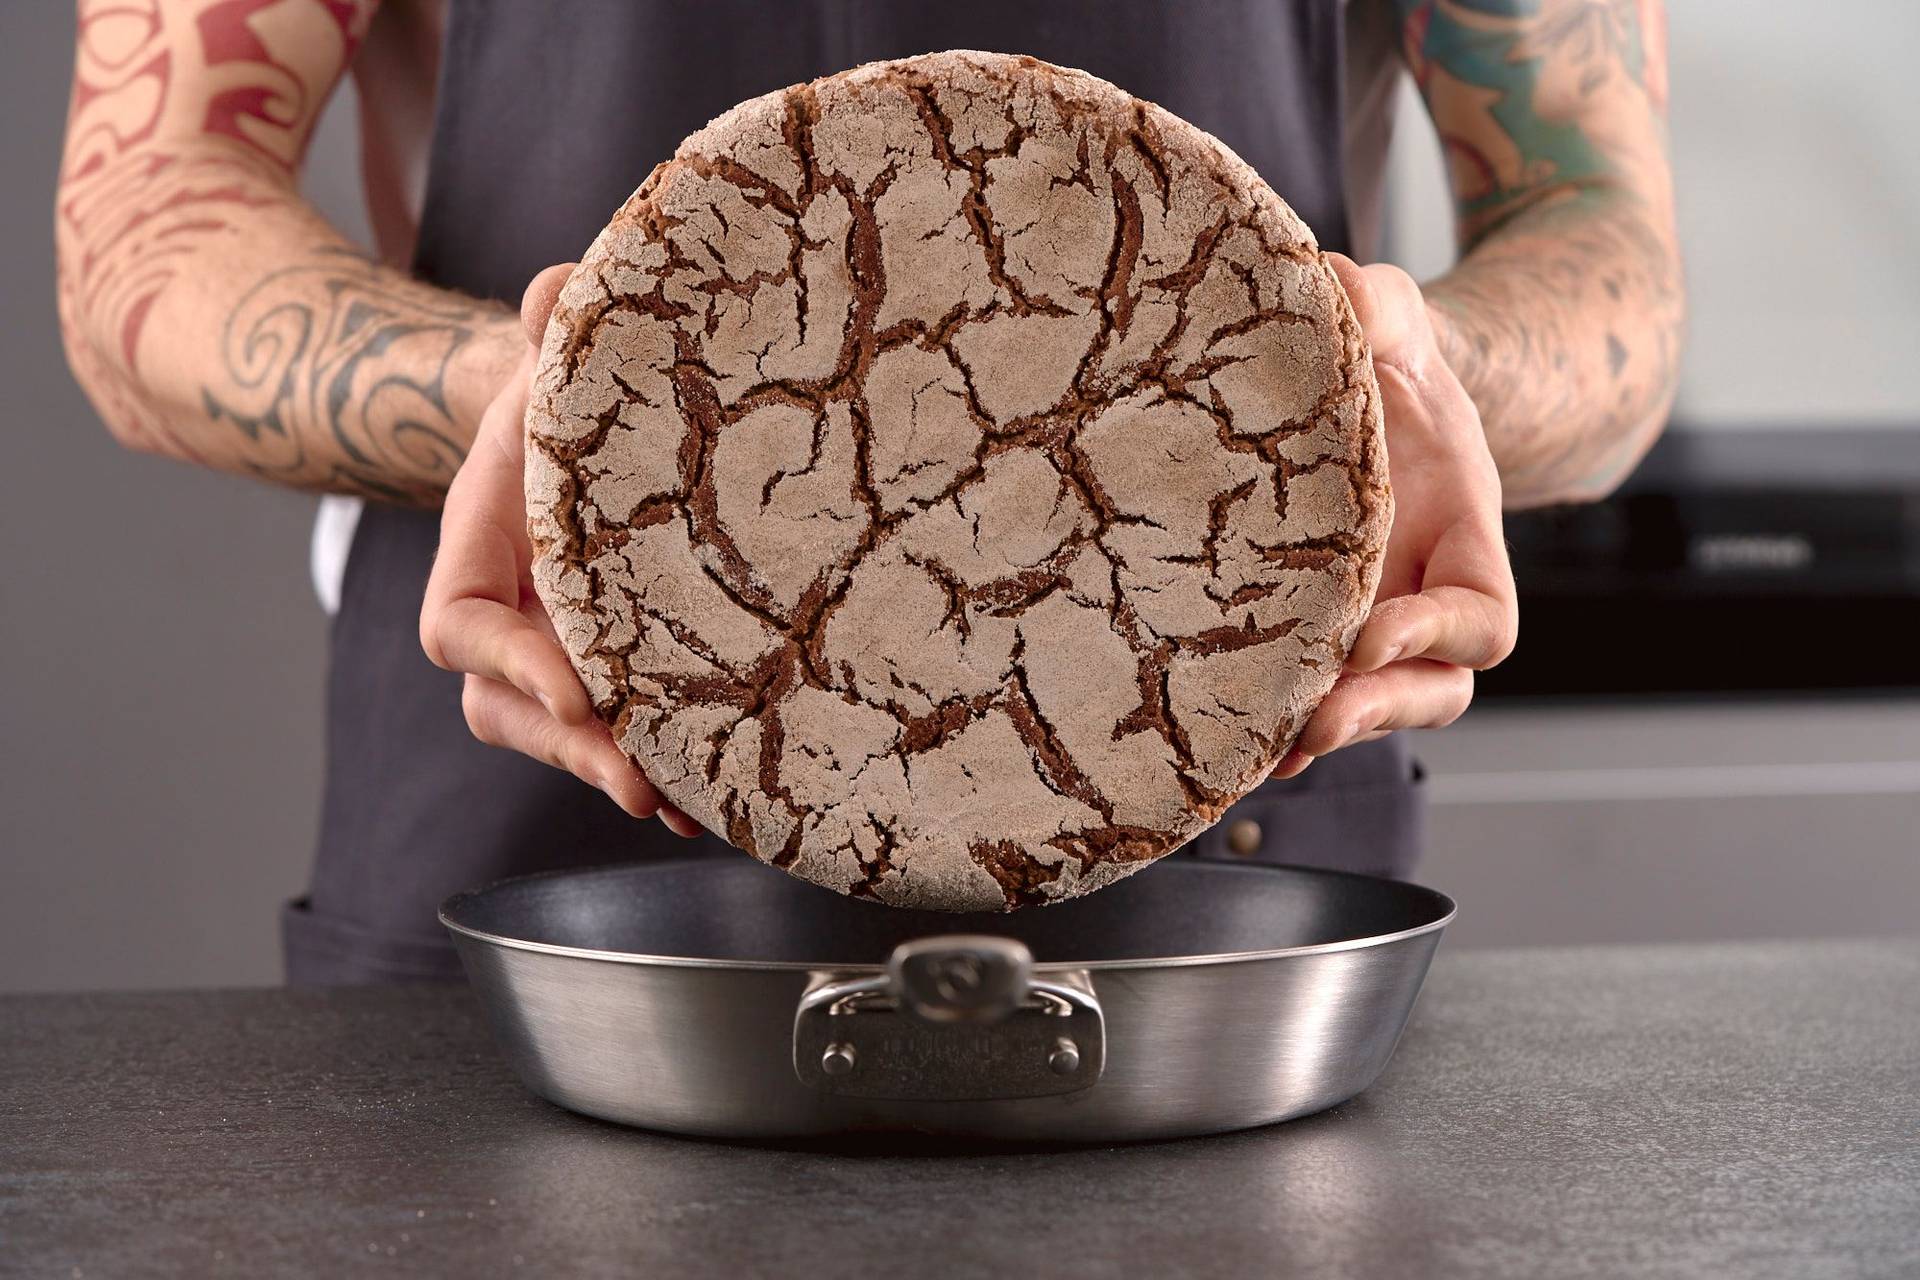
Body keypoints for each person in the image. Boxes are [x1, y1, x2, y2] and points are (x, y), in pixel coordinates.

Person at [57, 0, 1677, 984]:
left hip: (1212, 794)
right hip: (546, 800)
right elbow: (147, 227)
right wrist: (552, 407)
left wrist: (1402, 377)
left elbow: (1606, 234)